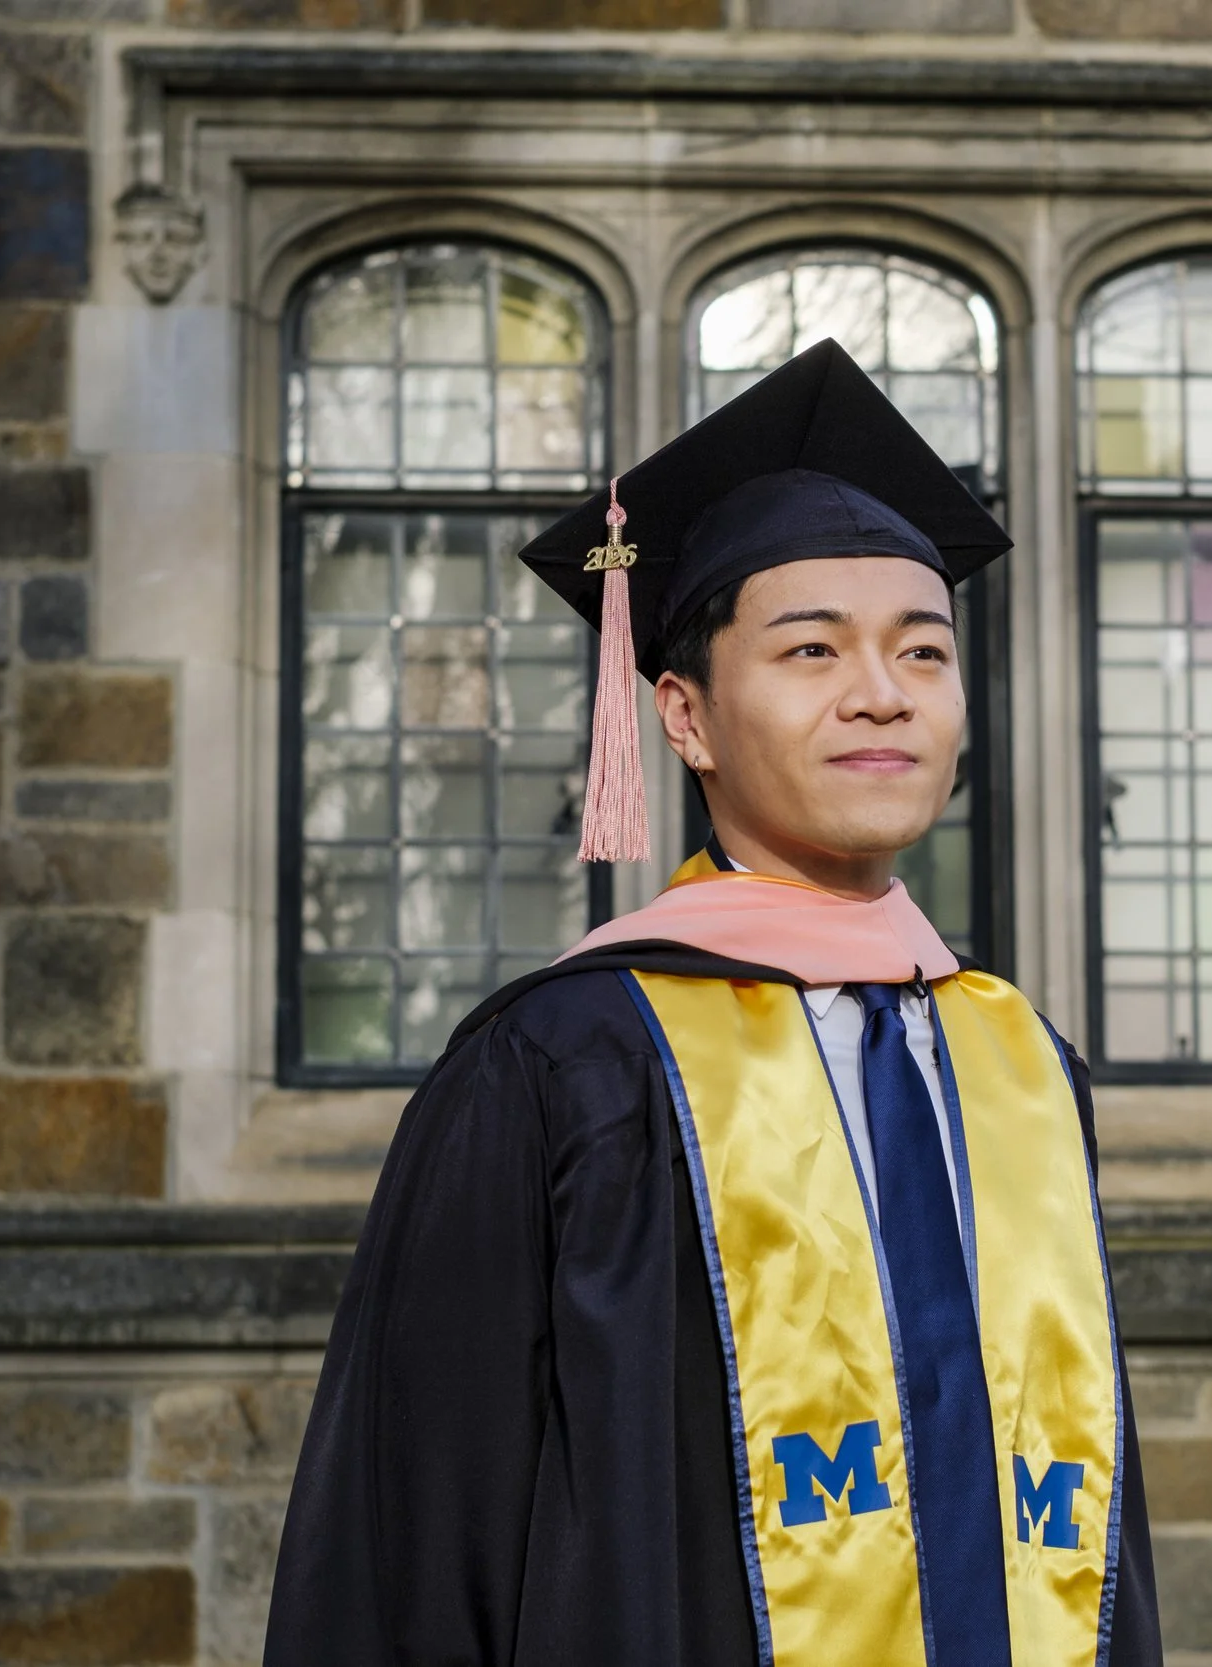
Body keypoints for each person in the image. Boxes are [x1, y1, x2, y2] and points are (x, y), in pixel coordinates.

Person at [264, 340, 1161, 1667]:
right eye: (812, 648)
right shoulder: (561, 1068)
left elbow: (1099, 1537)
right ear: (683, 714)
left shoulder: (1022, 1065)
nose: (881, 692)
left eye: (925, 651)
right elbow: (411, 1541)